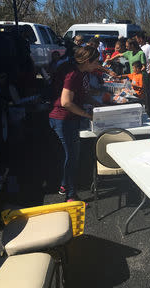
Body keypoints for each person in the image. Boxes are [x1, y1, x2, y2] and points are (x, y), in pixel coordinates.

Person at [49, 46, 101, 202]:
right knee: (71, 156)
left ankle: (65, 185)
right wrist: (87, 115)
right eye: (96, 62)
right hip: (62, 119)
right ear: (87, 61)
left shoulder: (84, 73)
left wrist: (98, 106)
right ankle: (70, 195)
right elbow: (66, 102)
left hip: (72, 119)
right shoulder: (72, 74)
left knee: (71, 155)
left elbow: (84, 94)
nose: (97, 65)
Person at [135, 31, 150, 115]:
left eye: (137, 39)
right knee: (142, 92)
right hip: (140, 73)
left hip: (147, 73)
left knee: (148, 92)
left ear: (140, 38)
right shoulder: (139, 47)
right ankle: (145, 109)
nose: (136, 40)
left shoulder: (148, 47)